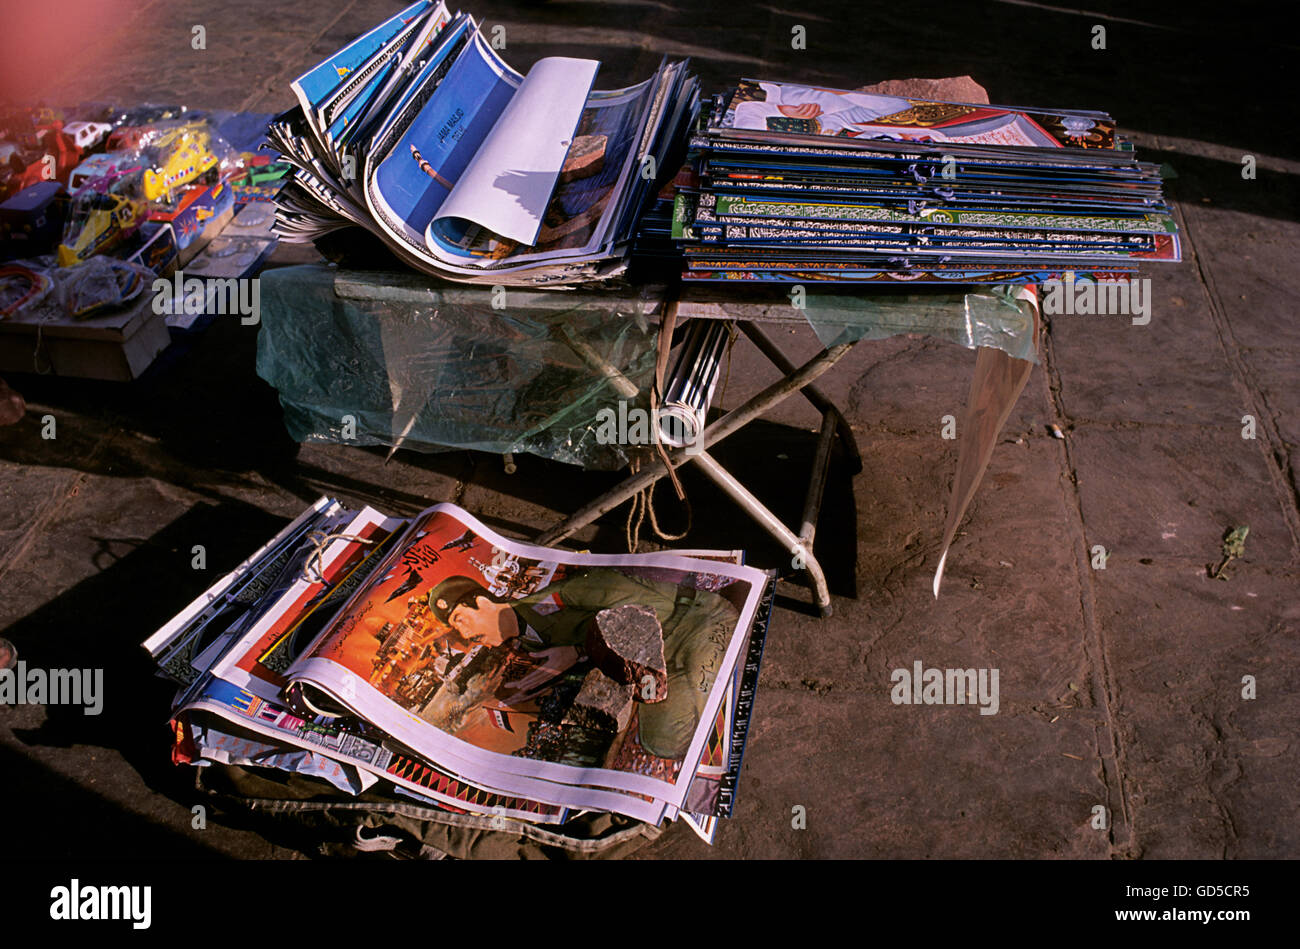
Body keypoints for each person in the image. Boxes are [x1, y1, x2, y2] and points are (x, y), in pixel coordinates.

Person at [424, 568, 742, 760]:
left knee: (672, 733)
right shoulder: (531, 640)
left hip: (693, 625)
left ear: (482, 601)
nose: (466, 635)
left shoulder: (560, 596)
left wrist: (578, 650)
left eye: (460, 619)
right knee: (658, 741)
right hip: (658, 662)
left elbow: (651, 606)